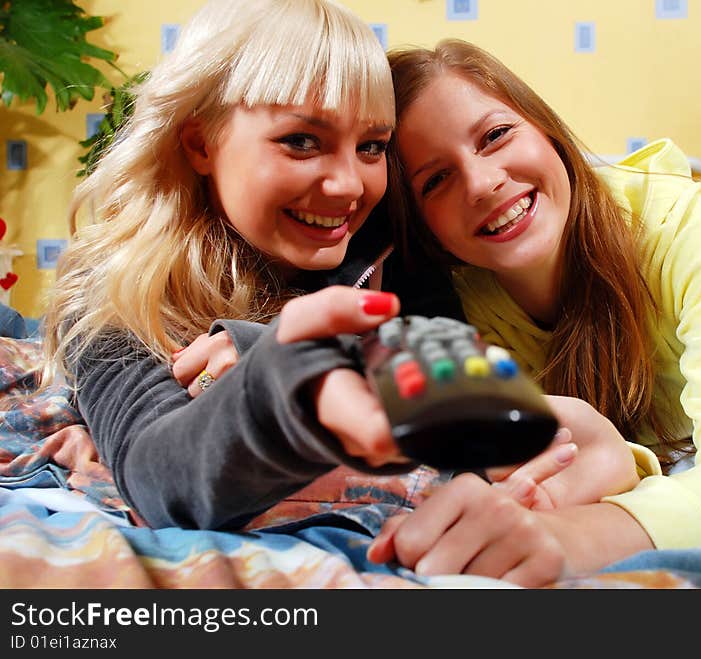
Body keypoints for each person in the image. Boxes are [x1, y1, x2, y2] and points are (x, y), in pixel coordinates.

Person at [39, 1, 638, 542]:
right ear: (200, 143)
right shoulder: (112, 291)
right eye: (302, 141)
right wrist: (288, 378)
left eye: (372, 146)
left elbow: (463, 410)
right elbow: (158, 480)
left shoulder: (390, 250)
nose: (349, 185)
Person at [366, 39, 701, 584]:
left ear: (546, 129)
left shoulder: (684, 227)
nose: (483, 184)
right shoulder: (455, 304)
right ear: (422, 225)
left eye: (495, 136)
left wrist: (574, 537)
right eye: (436, 180)